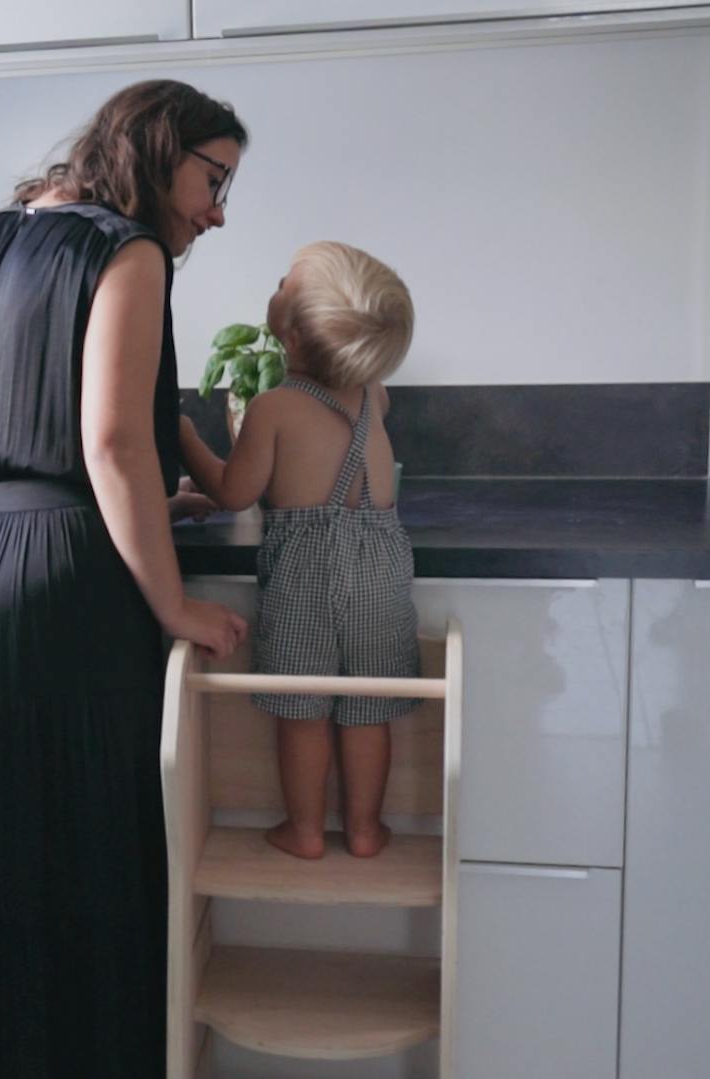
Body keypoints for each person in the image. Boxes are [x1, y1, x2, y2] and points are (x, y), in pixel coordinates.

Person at [0, 80, 250, 1079]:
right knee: (86, 864)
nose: (217, 209)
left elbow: (61, 414)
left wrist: (161, 489)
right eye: (213, 178)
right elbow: (104, 443)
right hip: (62, 591)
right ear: (160, 151)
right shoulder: (127, 249)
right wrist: (177, 602)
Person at [179, 240, 420, 861]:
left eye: (285, 281)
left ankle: (306, 831)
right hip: (381, 568)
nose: (278, 281)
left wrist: (184, 438)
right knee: (368, 707)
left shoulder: (274, 407)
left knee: (303, 709)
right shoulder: (375, 396)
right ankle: (365, 831)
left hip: (304, 574)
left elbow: (235, 492)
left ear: (287, 328)